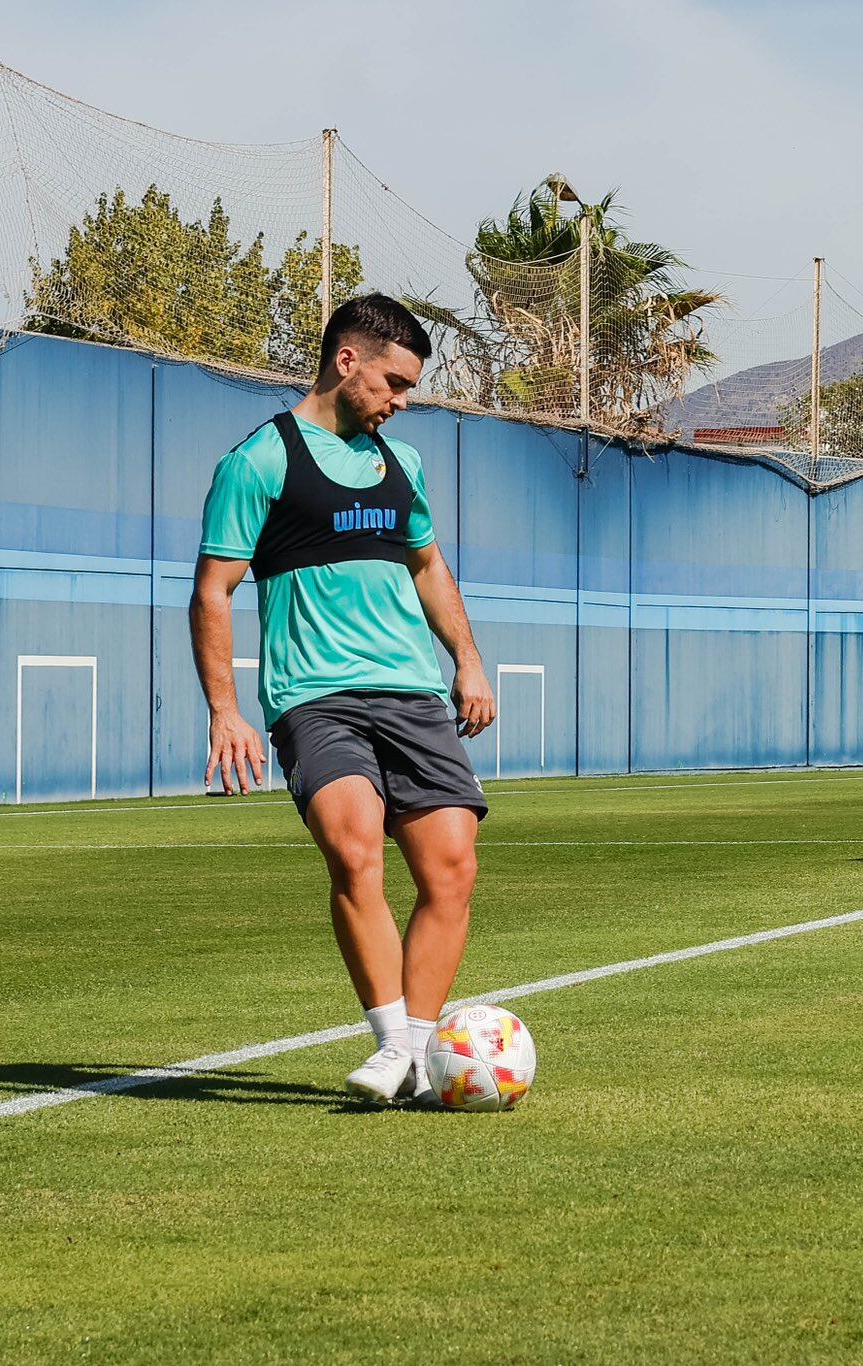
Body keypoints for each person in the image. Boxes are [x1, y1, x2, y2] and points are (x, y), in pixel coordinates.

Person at [191, 293, 495, 1105]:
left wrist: (466, 658)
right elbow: (213, 591)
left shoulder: (405, 465)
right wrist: (225, 709)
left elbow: (427, 566)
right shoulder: (260, 461)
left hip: (413, 695)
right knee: (354, 848)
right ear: (346, 359)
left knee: (451, 870)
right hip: (314, 696)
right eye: (394, 383)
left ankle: (416, 1056)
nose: (401, 402)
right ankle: (395, 1042)